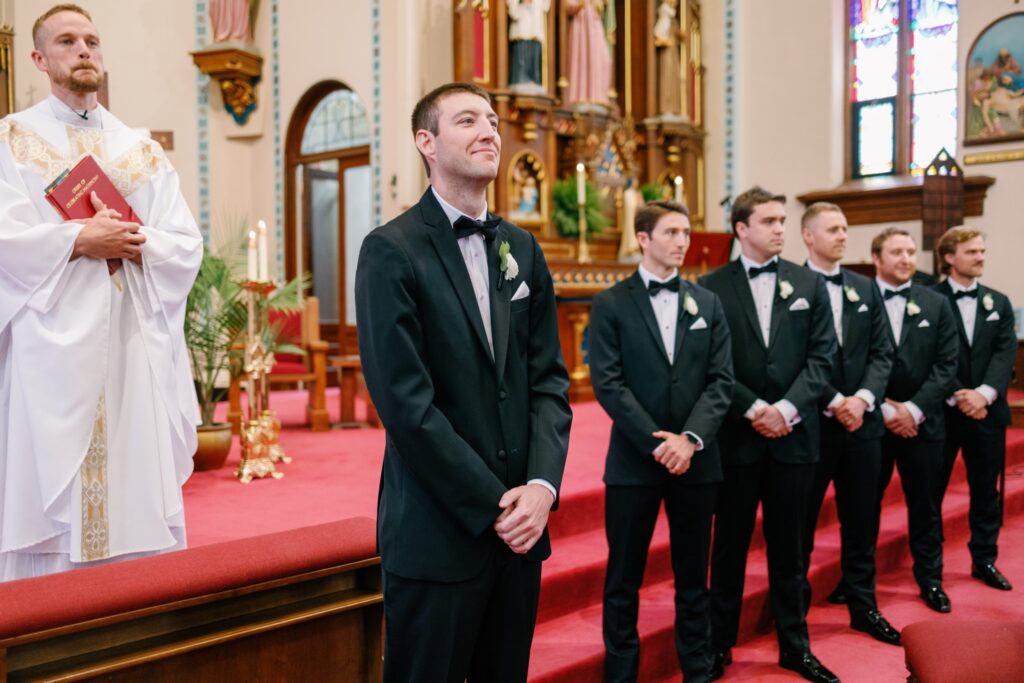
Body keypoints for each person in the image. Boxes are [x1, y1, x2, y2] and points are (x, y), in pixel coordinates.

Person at [354, 82, 572, 683]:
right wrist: (493, 503)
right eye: (469, 120)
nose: (490, 132)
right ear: (426, 142)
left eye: (495, 122)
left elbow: (550, 380)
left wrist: (541, 488)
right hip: (439, 534)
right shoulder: (389, 250)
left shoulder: (522, 249)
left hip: (521, 535)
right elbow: (405, 404)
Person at [0, 4, 202, 581]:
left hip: (128, 345)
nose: (83, 50)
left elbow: (184, 245)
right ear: (39, 58)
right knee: (45, 501)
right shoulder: (11, 141)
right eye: (67, 41)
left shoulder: (141, 151)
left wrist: (138, 243)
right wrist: (77, 239)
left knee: (131, 488)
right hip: (46, 347)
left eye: (91, 40)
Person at [589, 200, 734, 683]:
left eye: (687, 232)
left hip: (696, 461)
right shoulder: (611, 303)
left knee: (694, 576)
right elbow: (608, 383)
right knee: (624, 579)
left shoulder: (707, 303)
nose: (682, 241)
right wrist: (658, 443)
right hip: (634, 462)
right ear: (644, 239)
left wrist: (689, 440)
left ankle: (697, 667)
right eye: (671, 232)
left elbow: (721, 381)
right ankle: (622, 673)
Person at [699, 187, 838, 683]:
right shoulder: (710, 287)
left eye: (783, 220)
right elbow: (710, 364)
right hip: (737, 440)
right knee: (729, 548)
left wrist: (785, 408)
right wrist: (755, 407)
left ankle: (795, 646)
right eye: (770, 221)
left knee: (792, 549)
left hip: (794, 438)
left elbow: (823, 359)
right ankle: (718, 646)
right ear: (741, 229)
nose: (781, 228)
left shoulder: (808, 284)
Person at [799, 203, 899, 647]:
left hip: (863, 426)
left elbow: (883, 352)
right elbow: (790, 359)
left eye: (845, 228)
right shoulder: (792, 286)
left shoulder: (864, 287)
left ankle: (863, 606)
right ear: (808, 236)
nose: (843, 235)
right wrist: (833, 399)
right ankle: (793, 613)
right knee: (798, 524)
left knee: (862, 520)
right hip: (811, 426)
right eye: (833, 229)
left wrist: (860, 399)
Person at [870, 228, 958, 612]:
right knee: (863, 505)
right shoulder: (859, 298)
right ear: (877, 258)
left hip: (923, 422)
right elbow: (850, 361)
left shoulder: (935, 303)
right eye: (896, 252)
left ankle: (930, 578)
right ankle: (856, 578)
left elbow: (946, 365)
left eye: (910, 252)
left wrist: (913, 409)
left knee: (925, 504)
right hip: (872, 423)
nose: (906, 259)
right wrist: (886, 408)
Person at [933, 227, 1017, 592]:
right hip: (942, 413)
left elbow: (1004, 353)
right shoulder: (929, 300)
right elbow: (929, 354)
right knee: (930, 492)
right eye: (972, 252)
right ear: (949, 257)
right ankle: (930, 565)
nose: (980, 257)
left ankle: (984, 559)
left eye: (982, 251)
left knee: (986, 491)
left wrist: (983, 395)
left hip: (988, 413)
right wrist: (957, 394)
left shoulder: (998, 302)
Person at [565, 0, 612, 105]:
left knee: (604, 60)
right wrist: (582, 4)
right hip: (581, 25)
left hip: (595, 24)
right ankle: (581, 96)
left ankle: (598, 95)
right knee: (582, 60)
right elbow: (568, 6)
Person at [507, 0, 550, 93]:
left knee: (534, 58)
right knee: (521, 57)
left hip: (535, 29)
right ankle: (521, 79)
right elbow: (513, 11)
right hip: (521, 28)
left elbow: (546, 6)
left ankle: (533, 80)